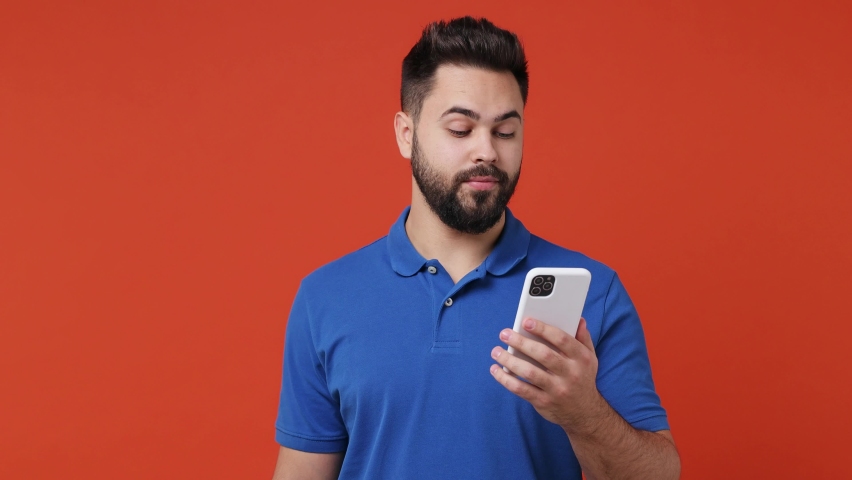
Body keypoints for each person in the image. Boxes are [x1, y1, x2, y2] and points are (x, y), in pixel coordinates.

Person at [272, 16, 680, 480]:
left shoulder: (595, 293)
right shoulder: (326, 298)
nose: (486, 151)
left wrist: (583, 413)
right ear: (406, 134)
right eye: (461, 129)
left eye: (505, 132)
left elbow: (659, 474)